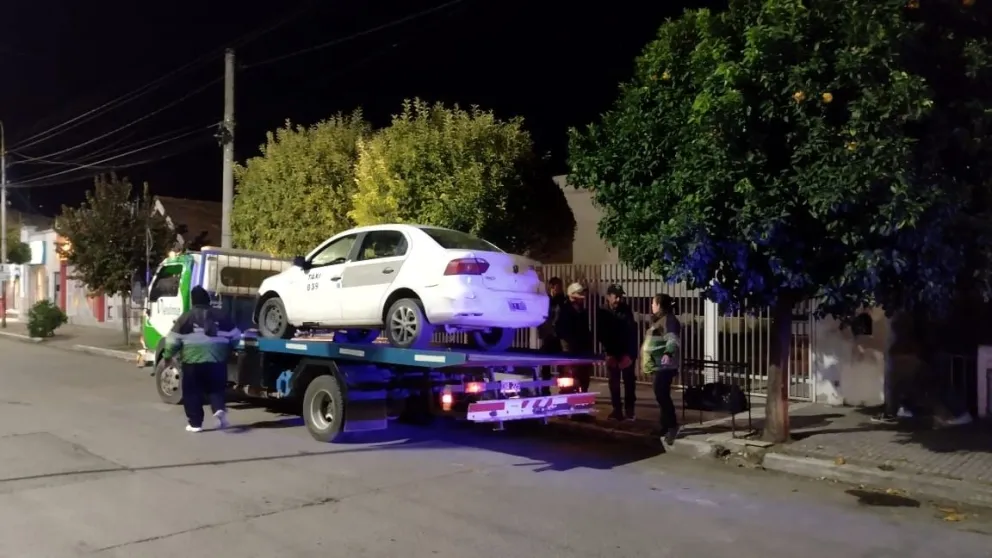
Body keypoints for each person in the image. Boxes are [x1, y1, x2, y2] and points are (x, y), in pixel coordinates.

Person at [161, 286, 242, 433]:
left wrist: (167, 356)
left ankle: (195, 423)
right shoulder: (222, 316)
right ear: (208, 300)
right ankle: (218, 409)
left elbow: (172, 341)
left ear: (193, 301)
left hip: (193, 362)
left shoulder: (186, 317)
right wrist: (231, 348)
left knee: (192, 392)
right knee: (216, 388)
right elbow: (236, 336)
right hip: (217, 360)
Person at [641, 293, 682, 446]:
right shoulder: (659, 319)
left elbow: (672, 338)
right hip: (659, 365)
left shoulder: (669, 320)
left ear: (659, 305)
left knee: (662, 395)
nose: (651, 305)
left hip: (665, 365)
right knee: (660, 395)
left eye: (653, 303)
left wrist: (668, 353)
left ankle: (671, 426)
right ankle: (665, 425)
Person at [597, 284, 639, 421]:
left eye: (620, 296)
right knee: (613, 383)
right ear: (608, 297)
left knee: (629, 382)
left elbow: (632, 333)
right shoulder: (602, 311)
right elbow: (601, 334)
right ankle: (617, 410)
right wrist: (608, 354)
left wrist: (630, 355)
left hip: (625, 352)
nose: (619, 299)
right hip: (612, 353)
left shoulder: (626, 310)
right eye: (616, 296)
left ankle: (629, 410)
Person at [558, 282, 594, 393]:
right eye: (579, 293)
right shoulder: (564, 310)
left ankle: (582, 397)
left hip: (582, 351)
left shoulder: (581, 310)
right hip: (569, 351)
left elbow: (584, 331)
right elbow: (562, 332)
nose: (582, 297)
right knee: (568, 381)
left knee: (584, 379)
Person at [537, 277, 567, 395]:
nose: (557, 289)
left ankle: (563, 389)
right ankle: (545, 389)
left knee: (562, 366)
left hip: (558, 336)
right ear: (551, 287)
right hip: (548, 336)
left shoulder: (562, 301)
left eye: (559, 286)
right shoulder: (546, 300)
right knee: (546, 366)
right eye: (555, 286)